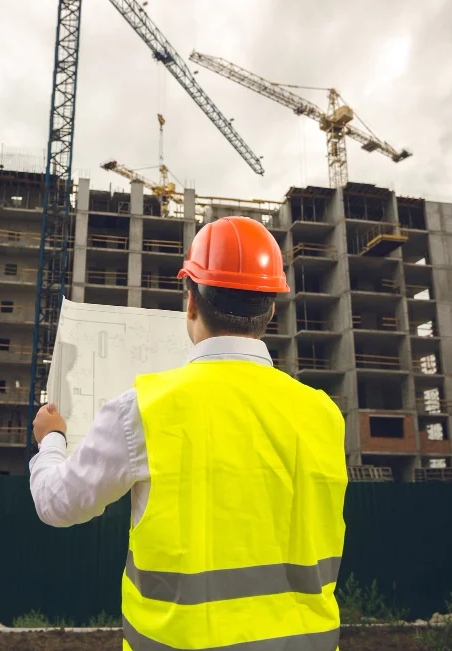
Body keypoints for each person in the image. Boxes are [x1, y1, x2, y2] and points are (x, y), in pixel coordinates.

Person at [30, 216, 347, 650]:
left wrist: (51, 439)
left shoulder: (143, 410)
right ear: (271, 309)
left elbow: (57, 503)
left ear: (191, 303)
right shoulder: (324, 415)